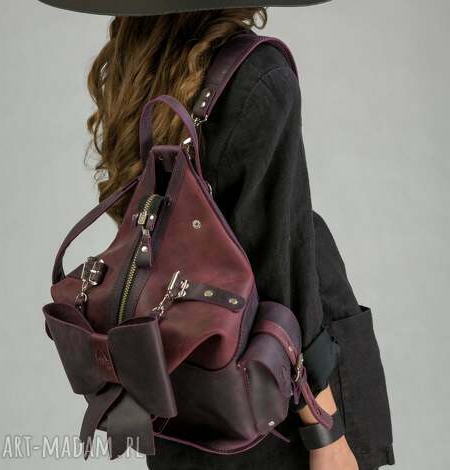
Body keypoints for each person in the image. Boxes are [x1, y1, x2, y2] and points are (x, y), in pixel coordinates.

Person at [39, 3, 393, 469]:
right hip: (276, 399)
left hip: (181, 381)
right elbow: (281, 271)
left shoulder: (141, 69)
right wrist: (323, 426)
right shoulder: (259, 73)